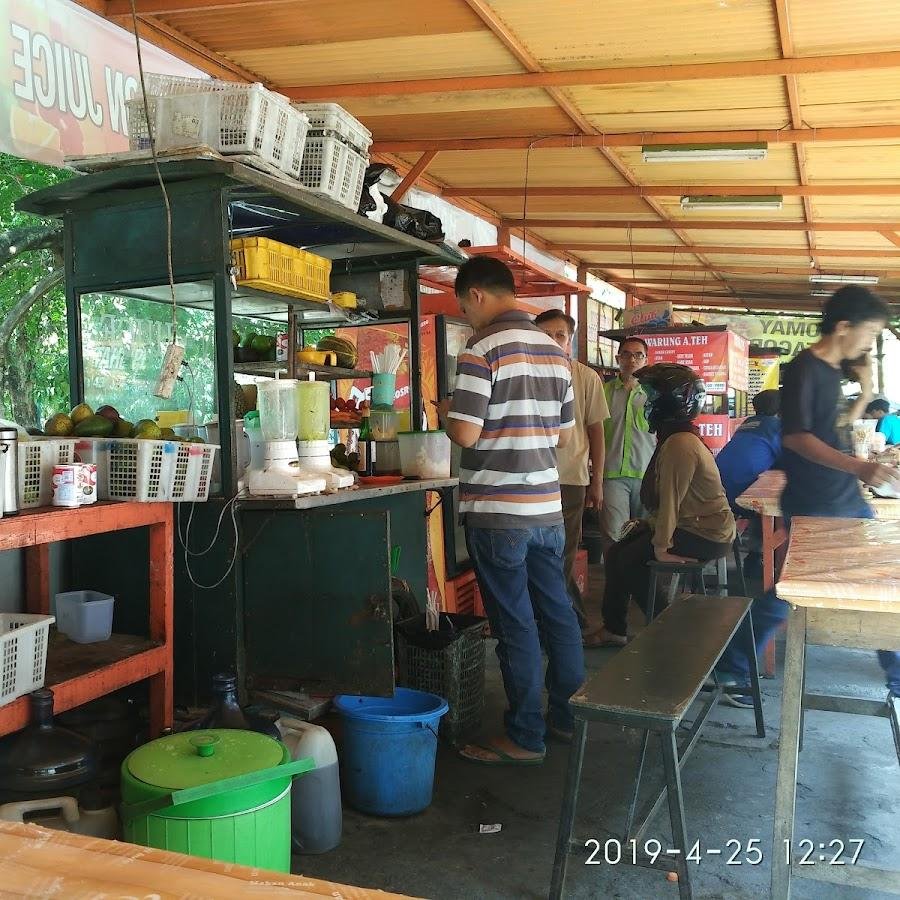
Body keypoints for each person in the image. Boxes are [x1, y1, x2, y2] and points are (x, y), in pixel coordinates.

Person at [716, 286, 900, 705]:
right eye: (869, 333)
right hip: (820, 499)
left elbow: (829, 433)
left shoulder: (830, 372)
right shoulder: (804, 368)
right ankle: (732, 667)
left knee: (846, 587)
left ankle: (732, 668)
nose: (869, 344)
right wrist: (862, 468)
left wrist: (867, 394)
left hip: (838, 495)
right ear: (843, 326)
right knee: (799, 590)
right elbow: (798, 438)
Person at [437, 257, 584, 766]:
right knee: (558, 615)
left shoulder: (481, 349)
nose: (466, 314)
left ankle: (525, 736)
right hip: (547, 510)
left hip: (499, 513)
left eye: (462, 304)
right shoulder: (555, 352)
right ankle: (567, 718)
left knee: (517, 626)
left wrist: (444, 410)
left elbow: (467, 434)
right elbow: (565, 438)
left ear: (475, 294)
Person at [597, 364, 736, 647]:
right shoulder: (674, 438)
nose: (647, 404)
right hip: (692, 525)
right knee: (616, 553)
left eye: (651, 397)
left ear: (670, 402)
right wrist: (647, 525)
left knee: (629, 559)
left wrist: (661, 546)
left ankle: (668, 629)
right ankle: (615, 629)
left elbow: (672, 500)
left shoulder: (680, 444)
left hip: (706, 534)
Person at [534, 310, 609, 640]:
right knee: (536, 554)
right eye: (545, 334)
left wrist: (598, 481)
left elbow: (596, 433)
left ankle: (559, 626)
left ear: (570, 339)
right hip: (529, 478)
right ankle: (567, 621)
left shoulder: (585, 377)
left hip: (569, 479)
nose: (552, 340)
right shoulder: (524, 373)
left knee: (561, 554)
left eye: (559, 335)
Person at [600, 337, 656, 549]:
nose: (631, 359)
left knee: (646, 534)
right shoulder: (604, 392)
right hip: (612, 474)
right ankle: (616, 581)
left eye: (638, 355)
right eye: (626, 354)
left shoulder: (653, 395)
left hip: (646, 474)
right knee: (614, 534)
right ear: (618, 358)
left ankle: (642, 582)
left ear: (646, 359)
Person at [715, 389, 782, 509]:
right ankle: (769, 525)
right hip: (741, 495)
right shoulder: (776, 426)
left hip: (718, 490)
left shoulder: (748, 422)